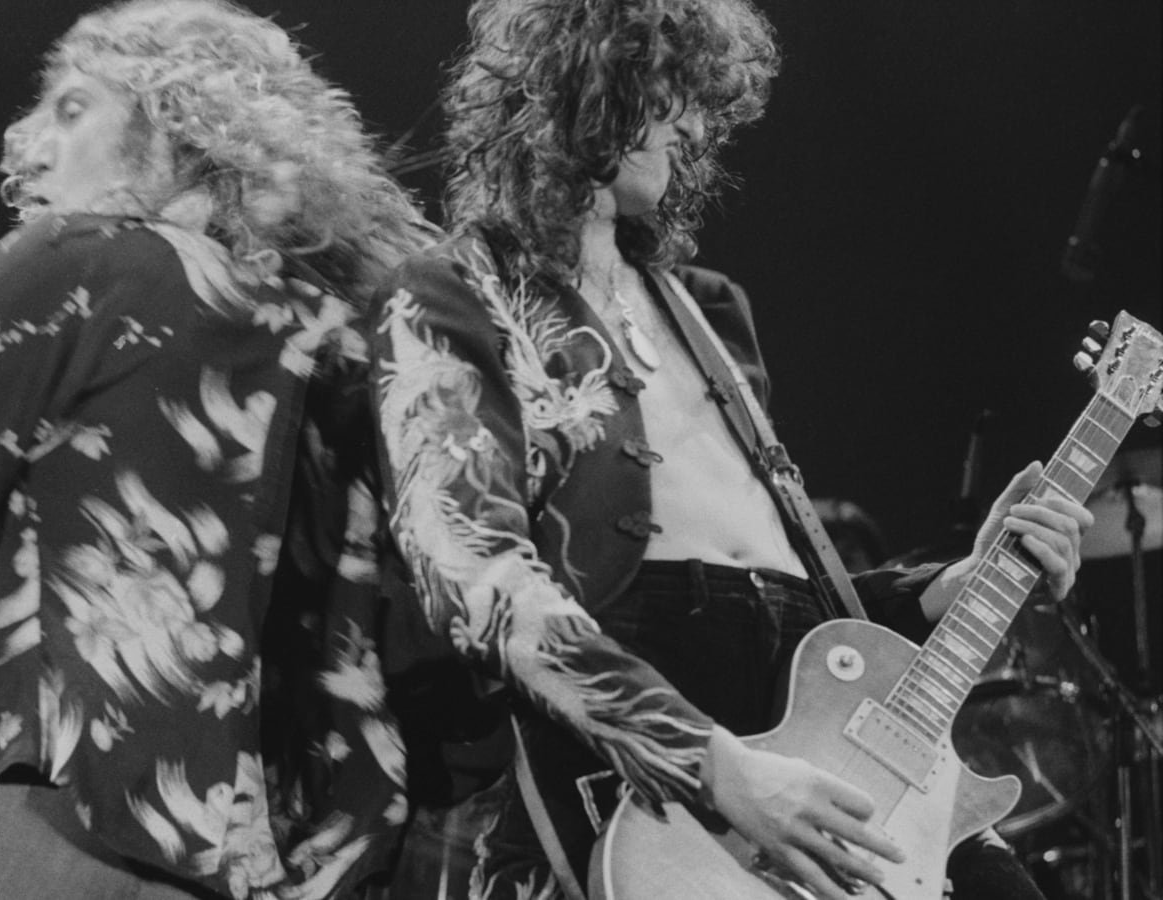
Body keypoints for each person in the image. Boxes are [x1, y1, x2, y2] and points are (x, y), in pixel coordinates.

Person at [363, 1, 1094, 899]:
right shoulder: (451, 294)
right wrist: (713, 765)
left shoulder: (708, 312)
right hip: (632, 780)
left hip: (801, 751)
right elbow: (473, 576)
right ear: (593, 80)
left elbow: (779, 600)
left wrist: (945, 588)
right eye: (675, 93)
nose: (699, 128)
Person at [0, 2, 432, 897]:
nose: (23, 149)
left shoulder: (95, 259)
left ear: (185, 133)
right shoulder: (342, 337)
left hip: (50, 821)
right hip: (262, 864)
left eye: (72, 108)